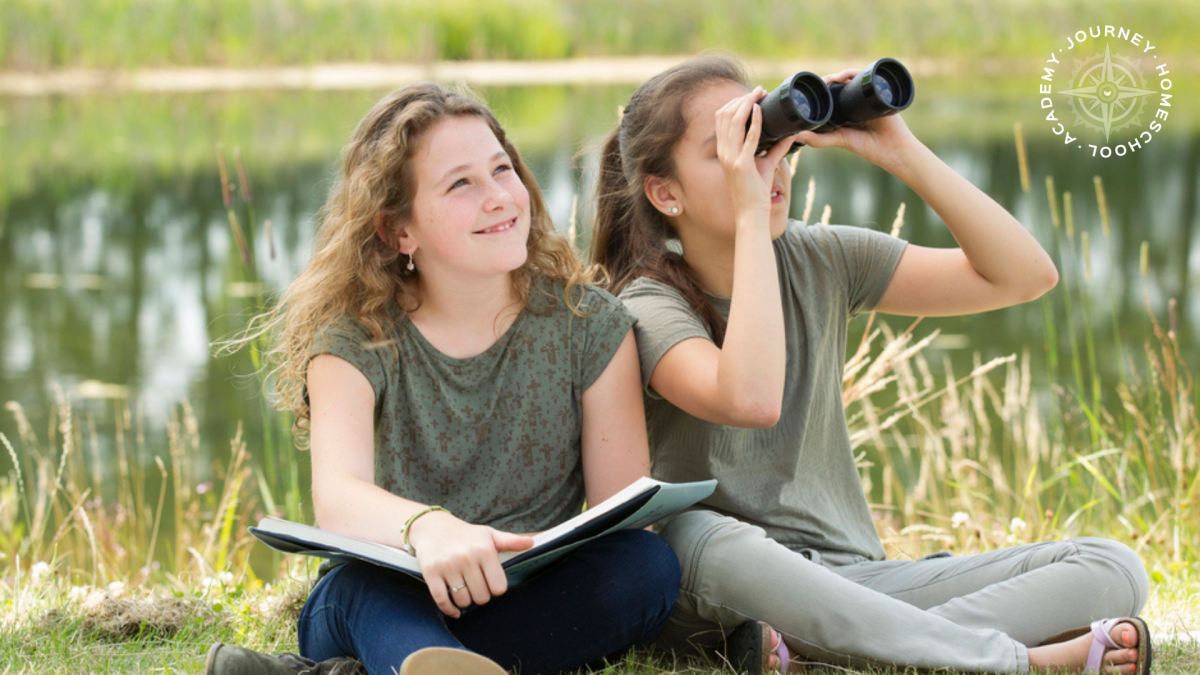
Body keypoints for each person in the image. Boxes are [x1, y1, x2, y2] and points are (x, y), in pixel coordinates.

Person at [590, 54, 1151, 675]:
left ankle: (825, 652)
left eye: (768, 136)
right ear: (665, 193)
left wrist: (900, 150)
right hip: (723, 586)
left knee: (1112, 567)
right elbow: (751, 399)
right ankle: (1019, 662)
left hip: (854, 576)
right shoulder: (645, 304)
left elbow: (1024, 276)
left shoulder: (822, 258)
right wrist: (752, 216)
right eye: (732, 147)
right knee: (700, 535)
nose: (765, 164)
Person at [208, 82, 680, 675]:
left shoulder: (592, 326)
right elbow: (337, 496)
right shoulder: (353, 339)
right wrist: (428, 529)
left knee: (646, 565)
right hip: (384, 598)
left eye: (501, 169)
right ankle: (422, 660)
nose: (498, 197)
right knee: (360, 590)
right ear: (397, 231)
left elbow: (619, 514)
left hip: (520, 600)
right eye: (461, 183)